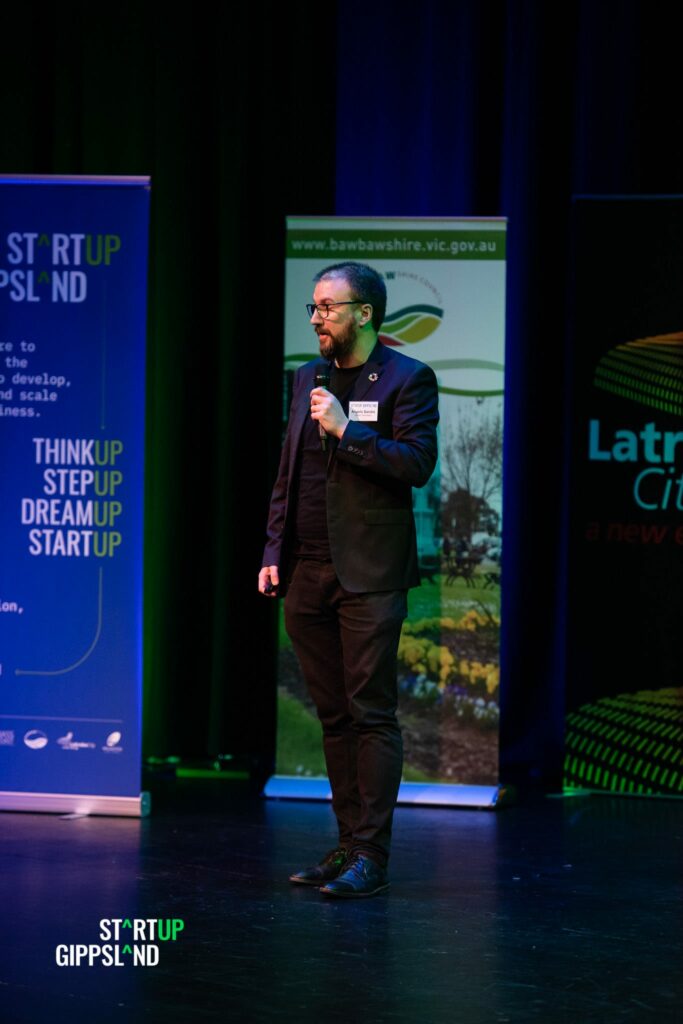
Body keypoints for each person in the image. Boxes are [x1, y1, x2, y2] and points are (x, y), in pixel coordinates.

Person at [259, 261, 439, 897]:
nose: (316, 319)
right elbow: (289, 471)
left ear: (365, 313)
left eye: (328, 308)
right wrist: (272, 548)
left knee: (370, 713)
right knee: (333, 714)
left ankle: (372, 855)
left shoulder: (407, 380)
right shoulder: (305, 377)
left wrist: (348, 429)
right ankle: (344, 844)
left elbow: (416, 464)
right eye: (313, 308)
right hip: (306, 573)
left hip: (369, 574)